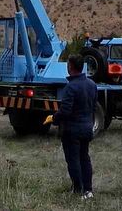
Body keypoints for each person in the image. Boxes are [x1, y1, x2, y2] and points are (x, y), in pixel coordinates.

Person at [47, 55, 97, 200]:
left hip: (72, 130)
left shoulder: (71, 87)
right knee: (84, 158)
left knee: (73, 160)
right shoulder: (92, 85)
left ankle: (78, 190)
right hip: (87, 128)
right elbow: (93, 107)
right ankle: (88, 190)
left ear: (70, 66)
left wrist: (54, 119)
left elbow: (65, 111)